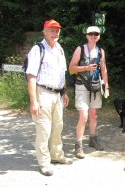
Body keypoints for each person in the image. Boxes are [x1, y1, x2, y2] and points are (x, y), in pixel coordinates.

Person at [26, 19, 71, 176]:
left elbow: (62, 73)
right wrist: (34, 101)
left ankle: (57, 155)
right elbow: (31, 77)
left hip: (57, 94)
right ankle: (44, 163)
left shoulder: (60, 49)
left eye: (57, 30)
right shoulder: (37, 49)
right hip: (43, 93)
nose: (55, 33)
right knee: (44, 130)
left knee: (58, 127)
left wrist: (64, 92)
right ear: (44, 31)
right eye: (51, 30)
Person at [69, 26, 109, 159]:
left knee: (93, 115)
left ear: (99, 36)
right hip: (81, 85)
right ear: (86, 35)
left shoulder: (100, 51)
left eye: (96, 34)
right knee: (84, 116)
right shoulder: (80, 49)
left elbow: (103, 69)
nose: (93, 36)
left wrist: (106, 85)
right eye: (91, 34)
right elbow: (71, 69)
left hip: (96, 86)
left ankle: (93, 139)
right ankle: (78, 145)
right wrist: (86, 67)